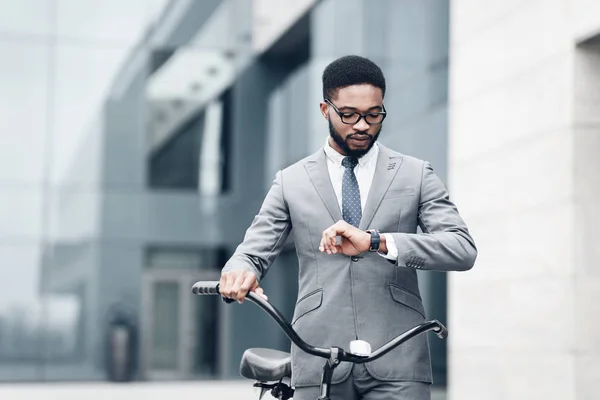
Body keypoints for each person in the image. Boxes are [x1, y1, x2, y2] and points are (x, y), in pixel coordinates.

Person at [219, 55, 477, 400]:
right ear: (325, 110)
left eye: (373, 115)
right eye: (349, 115)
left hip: (398, 359)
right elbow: (253, 250)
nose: (362, 125)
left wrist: (378, 241)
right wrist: (238, 271)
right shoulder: (291, 181)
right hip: (318, 356)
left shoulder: (415, 174)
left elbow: (461, 248)